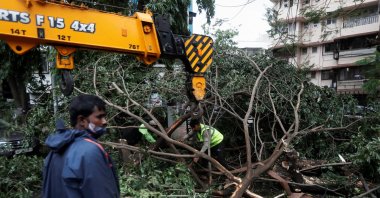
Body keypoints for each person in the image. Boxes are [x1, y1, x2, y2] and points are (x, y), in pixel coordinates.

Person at [42, 94, 120, 198]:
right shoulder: (90, 151)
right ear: (82, 120)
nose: (105, 122)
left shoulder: (56, 149)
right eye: (99, 117)